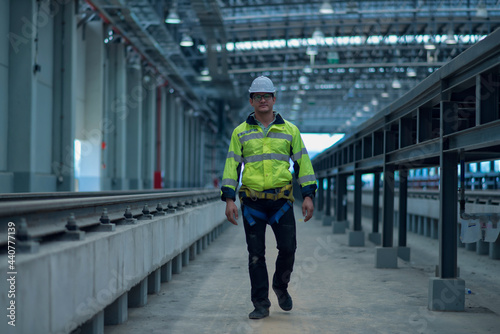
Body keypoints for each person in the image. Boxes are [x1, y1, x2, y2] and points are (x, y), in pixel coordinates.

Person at [220, 76, 317, 319]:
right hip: (252, 204)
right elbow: (232, 166)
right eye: (257, 97)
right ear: (251, 101)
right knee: (255, 255)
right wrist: (229, 199)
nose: (262, 100)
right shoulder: (240, 133)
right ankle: (261, 303)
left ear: (274, 99)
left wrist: (308, 195)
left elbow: (302, 164)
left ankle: (280, 286)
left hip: (281, 203)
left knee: (288, 248)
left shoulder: (290, 131)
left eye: (267, 96)